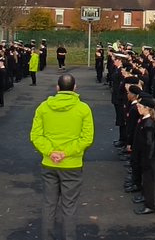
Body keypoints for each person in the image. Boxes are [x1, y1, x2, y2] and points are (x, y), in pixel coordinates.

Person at [30, 74, 95, 240]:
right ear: (75, 88)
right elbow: (86, 138)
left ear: (57, 88)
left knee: (49, 204)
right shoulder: (83, 109)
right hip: (72, 164)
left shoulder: (43, 107)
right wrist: (65, 153)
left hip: (49, 163)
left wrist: (51, 152)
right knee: (69, 206)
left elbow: (36, 136)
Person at [131, 96, 155, 215]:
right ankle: (144, 196)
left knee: (148, 181)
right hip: (141, 154)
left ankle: (149, 205)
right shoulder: (144, 119)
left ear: (147, 108)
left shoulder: (148, 123)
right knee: (144, 178)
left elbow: (149, 143)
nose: (138, 108)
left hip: (146, 156)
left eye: (140, 107)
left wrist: (147, 159)